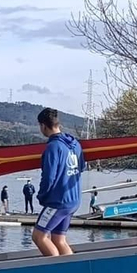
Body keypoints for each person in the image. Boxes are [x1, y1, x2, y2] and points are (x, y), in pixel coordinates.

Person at [32, 108, 85, 257]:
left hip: (58, 202)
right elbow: (81, 168)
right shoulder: (75, 144)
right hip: (74, 200)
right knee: (58, 239)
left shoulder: (53, 147)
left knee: (39, 236)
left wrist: (42, 196)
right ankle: (72, 268)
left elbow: (49, 177)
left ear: (43, 126)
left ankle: (56, 267)